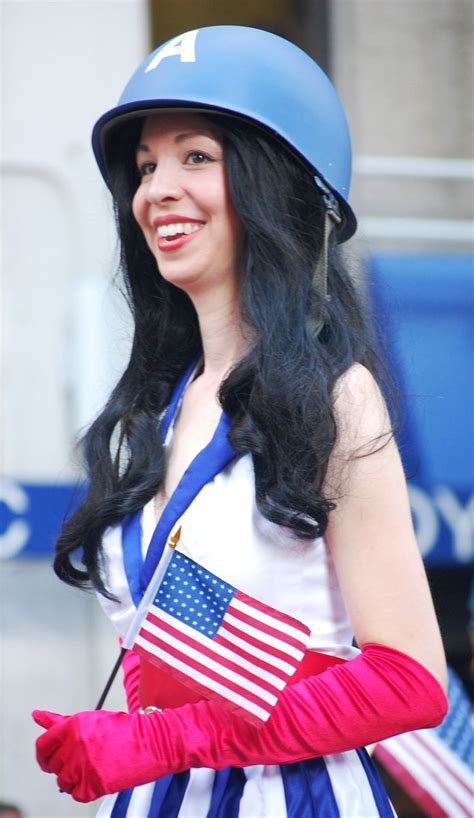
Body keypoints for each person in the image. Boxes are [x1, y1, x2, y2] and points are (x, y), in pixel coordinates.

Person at [32, 26, 448, 817]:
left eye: (196, 157)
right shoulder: (155, 409)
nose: (156, 190)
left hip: (293, 798)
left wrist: (166, 740)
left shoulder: (335, 395)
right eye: (147, 167)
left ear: (276, 184)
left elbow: (410, 680)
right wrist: (135, 738)